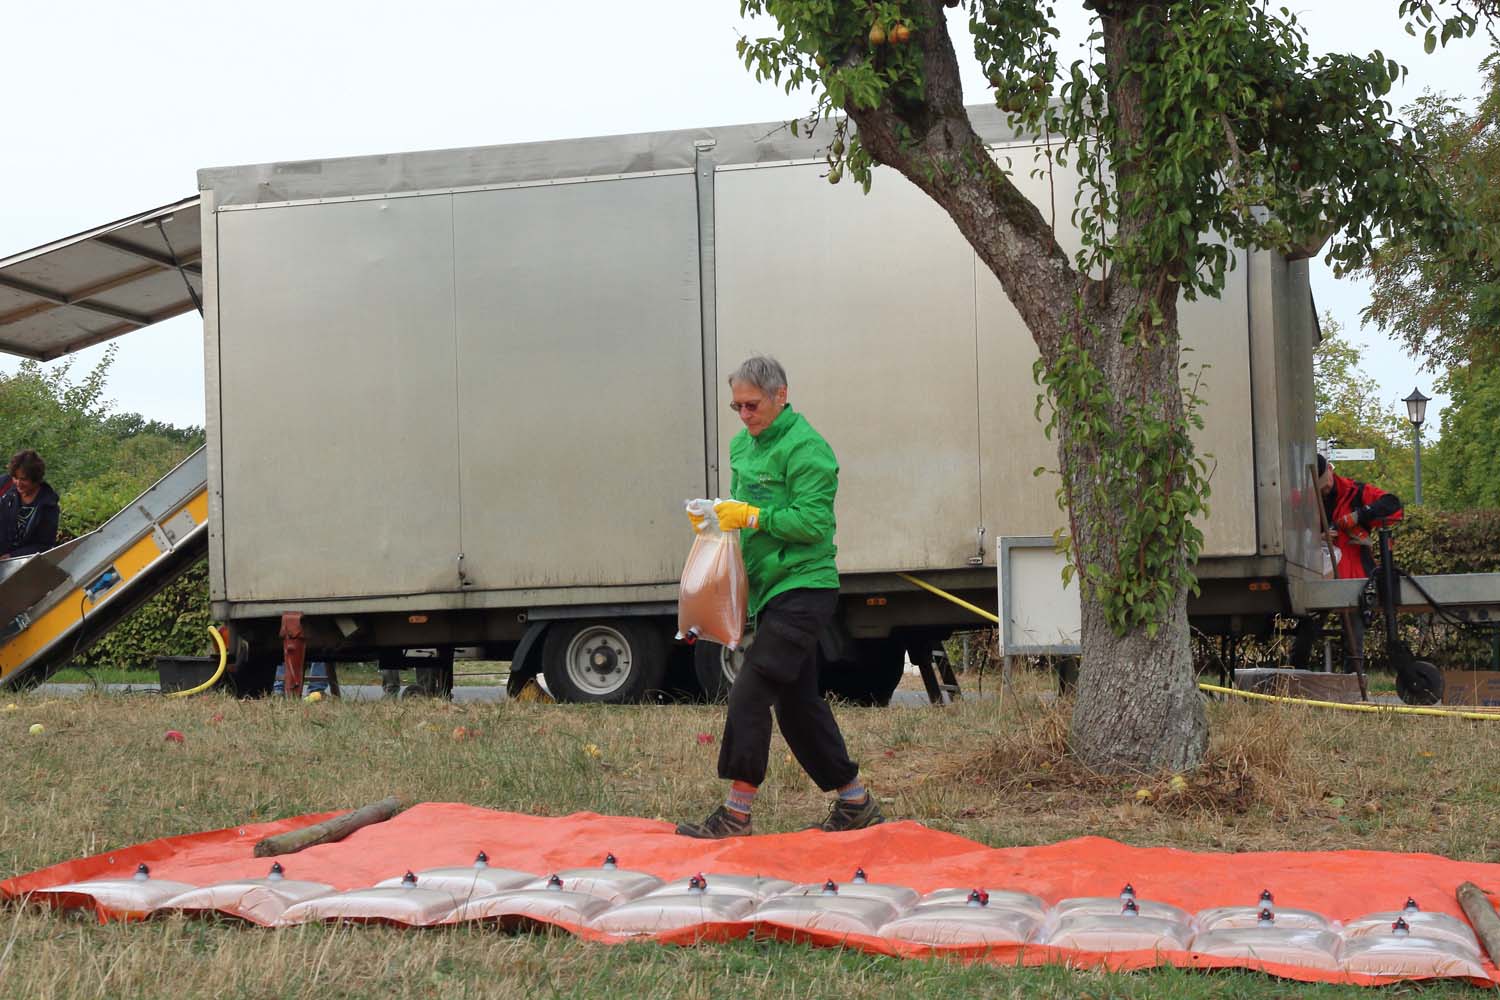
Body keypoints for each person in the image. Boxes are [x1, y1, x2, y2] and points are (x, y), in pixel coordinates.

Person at [676, 356, 883, 839]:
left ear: (780, 396)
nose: (745, 415)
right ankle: (855, 802)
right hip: (770, 587)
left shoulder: (808, 449)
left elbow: (812, 524)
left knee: (751, 690)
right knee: (796, 703)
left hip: (806, 588)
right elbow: (742, 520)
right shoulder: (742, 446)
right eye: (737, 407)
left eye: (752, 405)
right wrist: (716, 520)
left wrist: (752, 516)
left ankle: (737, 814)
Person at [1289, 453, 1403, 672]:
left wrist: (1359, 516)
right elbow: (1285, 528)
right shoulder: (1299, 498)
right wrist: (1316, 537)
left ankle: (1351, 687)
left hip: (1354, 578)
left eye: (1326, 485)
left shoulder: (1356, 492)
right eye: (1319, 489)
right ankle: (1294, 685)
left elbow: (1393, 505)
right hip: (1319, 577)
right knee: (1305, 637)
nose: (1325, 490)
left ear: (1330, 470)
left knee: (1355, 642)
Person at [0, 450, 60, 560]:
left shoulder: (48, 506)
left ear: (36, 479)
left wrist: (12, 556)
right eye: (15, 478)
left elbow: (44, 545)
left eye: (23, 479)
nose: (18, 483)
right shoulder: (6, 487)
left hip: (19, 562)